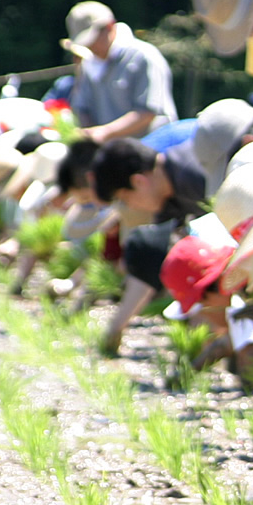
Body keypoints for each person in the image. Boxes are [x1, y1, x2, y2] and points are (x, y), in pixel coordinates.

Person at [90, 135, 209, 354]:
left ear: (138, 182)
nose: (131, 206)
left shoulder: (194, 175)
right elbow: (152, 260)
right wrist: (116, 329)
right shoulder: (168, 196)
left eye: (125, 200)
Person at [62, 1, 179, 143]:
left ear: (110, 27)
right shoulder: (89, 64)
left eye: (91, 39)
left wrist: (104, 132)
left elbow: (148, 113)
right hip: (112, 155)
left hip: (152, 151)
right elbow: (82, 109)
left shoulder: (144, 57)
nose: (89, 46)